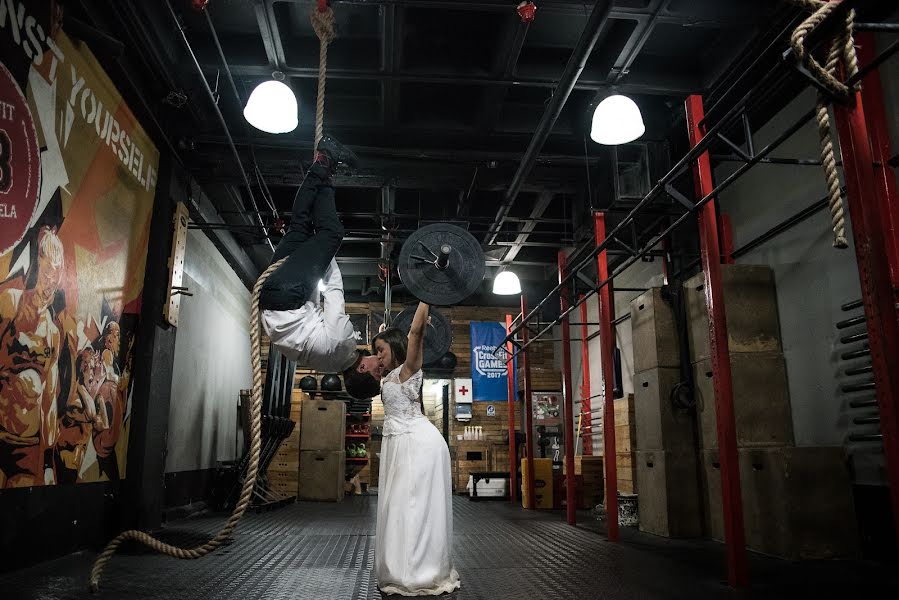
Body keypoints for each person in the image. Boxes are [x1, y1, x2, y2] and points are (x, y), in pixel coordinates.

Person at [370, 302, 461, 596]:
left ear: (396, 348)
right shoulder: (387, 376)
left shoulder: (409, 369)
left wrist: (426, 294)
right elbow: (386, 341)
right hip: (400, 445)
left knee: (413, 508)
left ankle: (420, 571)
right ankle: (402, 567)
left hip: (419, 445)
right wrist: (382, 336)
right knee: (398, 506)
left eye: (381, 351)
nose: (377, 357)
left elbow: (417, 331)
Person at [259, 135, 366, 377]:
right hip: (275, 303)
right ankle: (323, 165)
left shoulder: (344, 346)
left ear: (362, 370)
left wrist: (324, 254)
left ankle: (327, 162)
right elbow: (312, 314)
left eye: (377, 371)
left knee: (332, 233)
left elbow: (334, 295)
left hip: (288, 297)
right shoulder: (327, 366)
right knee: (299, 227)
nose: (379, 364)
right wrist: (313, 259)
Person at [0, 227, 65, 487]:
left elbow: (49, 402)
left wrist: (48, 462)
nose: (50, 282)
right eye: (47, 271)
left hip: (28, 448)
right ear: (36, 266)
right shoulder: (9, 303)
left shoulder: (52, 333)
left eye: (56, 276)